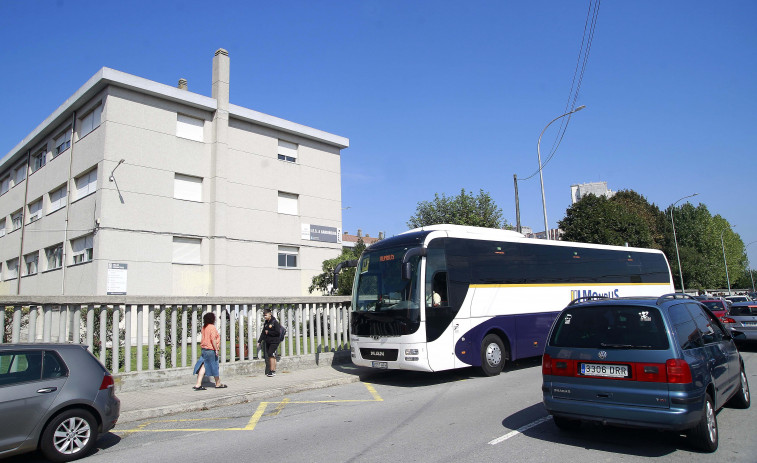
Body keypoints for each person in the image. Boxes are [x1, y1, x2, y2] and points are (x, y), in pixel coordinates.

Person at [193, 312, 227, 390]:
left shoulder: (204, 327)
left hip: (204, 349)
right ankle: (218, 383)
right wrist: (216, 349)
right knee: (214, 366)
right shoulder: (212, 327)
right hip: (211, 349)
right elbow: (213, 339)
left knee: (203, 366)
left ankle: (198, 384)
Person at [257, 308, 281, 377]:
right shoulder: (266, 323)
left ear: (270, 314)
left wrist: (269, 332)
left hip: (274, 341)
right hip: (268, 341)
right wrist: (259, 341)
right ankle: (273, 370)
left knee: (271, 354)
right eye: (264, 315)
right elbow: (263, 332)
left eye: (266, 315)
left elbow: (277, 332)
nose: (265, 317)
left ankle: (272, 371)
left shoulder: (274, 322)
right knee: (271, 355)